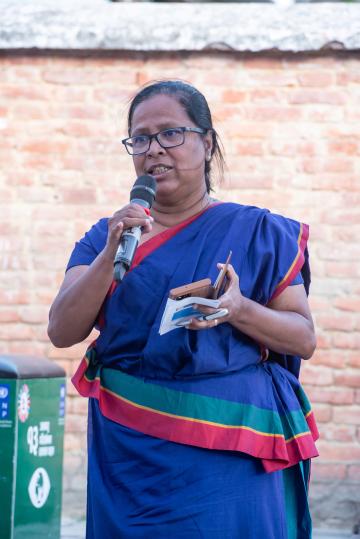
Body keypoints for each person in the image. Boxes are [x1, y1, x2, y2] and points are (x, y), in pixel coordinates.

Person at [48, 80, 319, 538]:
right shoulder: (105, 237)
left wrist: (238, 309)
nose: (154, 149)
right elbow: (61, 330)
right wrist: (112, 253)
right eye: (141, 138)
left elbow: (303, 338)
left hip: (229, 447)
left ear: (207, 143)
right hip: (130, 453)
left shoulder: (256, 232)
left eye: (171, 133)